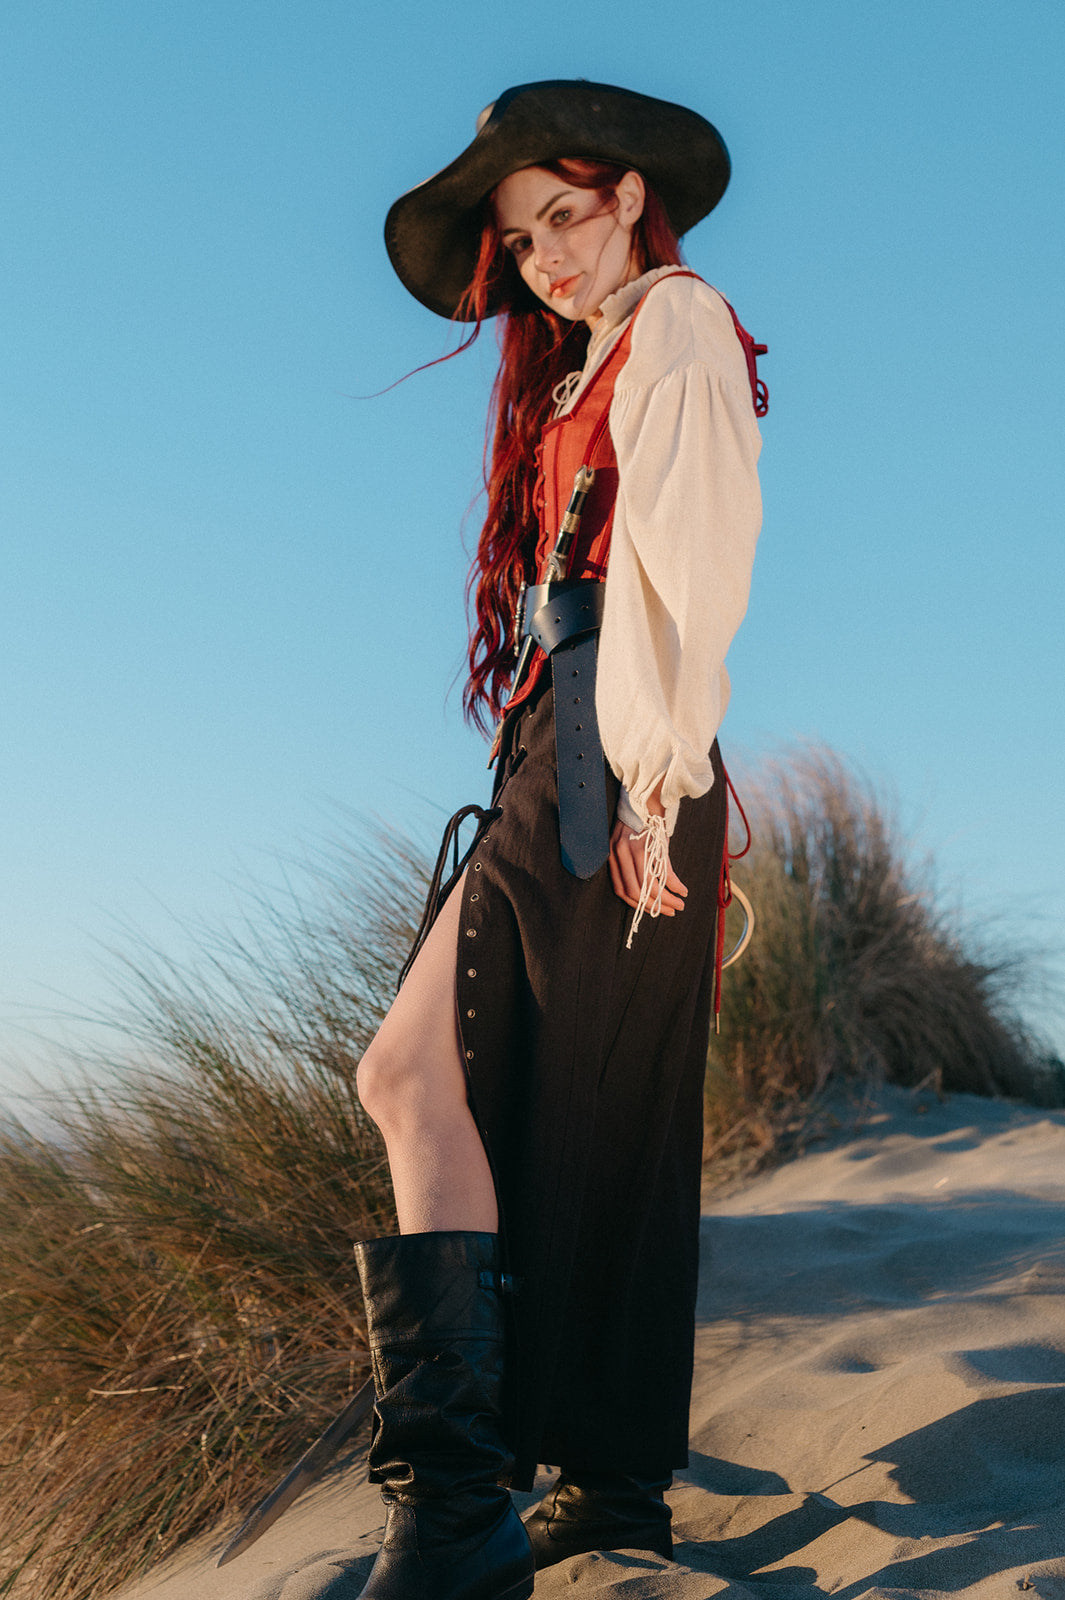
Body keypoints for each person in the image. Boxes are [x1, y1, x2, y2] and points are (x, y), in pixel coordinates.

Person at [349, 79, 763, 1600]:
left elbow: (689, 568)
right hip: (565, 742)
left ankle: (456, 1506)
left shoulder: (678, 324)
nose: (544, 257)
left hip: (618, 751)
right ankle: (607, 1479)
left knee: (410, 1073)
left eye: (565, 216)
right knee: (593, 1114)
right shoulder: (586, 364)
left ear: (632, 200)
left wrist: (651, 782)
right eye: (519, 240)